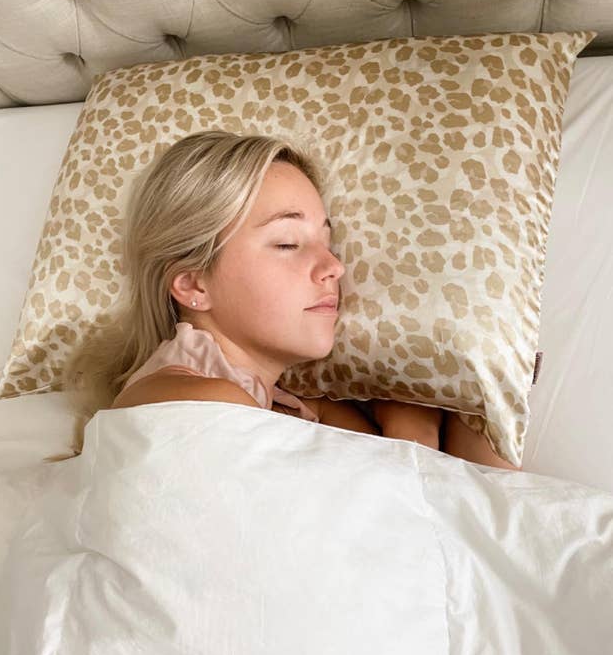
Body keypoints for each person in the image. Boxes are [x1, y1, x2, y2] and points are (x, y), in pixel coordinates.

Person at [55, 129, 520, 471]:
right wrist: (412, 429)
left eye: (326, 241)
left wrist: (454, 389)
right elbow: (406, 512)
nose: (333, 266)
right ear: (194, 285)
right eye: (287, 243)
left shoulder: (290, 406)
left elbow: (472, 503)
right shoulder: (202, 404)